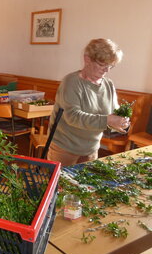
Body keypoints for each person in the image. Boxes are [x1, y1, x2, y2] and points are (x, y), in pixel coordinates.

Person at [47, 38, 130, 166]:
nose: (106, 70)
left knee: (85, 185)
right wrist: (108, 120)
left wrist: (120, 122)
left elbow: (112, 112)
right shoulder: (71, 82)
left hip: (91, 148)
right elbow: (73, 117)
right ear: (87, 59)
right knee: (60, 185)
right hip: (65, 148)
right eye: (102, 65)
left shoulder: (108, 84)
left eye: (110, 66)